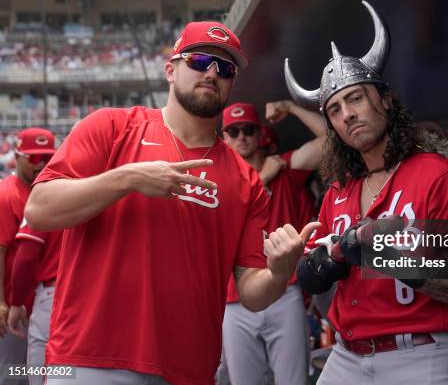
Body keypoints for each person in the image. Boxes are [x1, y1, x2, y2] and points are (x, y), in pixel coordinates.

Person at [24, 21, 318, 385]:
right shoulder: (112, 127)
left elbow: (252, 294)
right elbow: (39, 210)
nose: (212, 72)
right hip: (91, 358)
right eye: (199, 60)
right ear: (170, 69)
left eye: (225, 68)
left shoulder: (246, 181)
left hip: (187, 370)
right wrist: (129, 178)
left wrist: (277, 273)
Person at [285, 1, 448, 384]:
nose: (347, 114)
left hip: (419, 355)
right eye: (334, 110)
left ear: (385, 99)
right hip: (346, 356)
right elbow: (314, 275)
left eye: (355, 98)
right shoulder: (338, 191)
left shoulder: (442, 176)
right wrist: (322, 264)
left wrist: (397, 260)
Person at [219, 100, 324, 385]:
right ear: (225, 139)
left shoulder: (285, 169)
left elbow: (332, 141)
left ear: (260, 133)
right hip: (234, 299)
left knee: (294, 381)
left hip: (283, 291)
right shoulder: (220, 182)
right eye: (234, 131)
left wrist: (292, 108)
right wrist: (262, 178)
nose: (241, 137)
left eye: (248, 130)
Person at [0, 127, 55, 384]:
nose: (41, 163)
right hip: (12, 304)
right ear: (17, 156)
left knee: (40, 374)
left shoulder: (45, 191)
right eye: (34, 157)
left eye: (46, 156)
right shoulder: (6, 194)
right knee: (12, 373)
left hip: (37, 304)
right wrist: (2, 302)